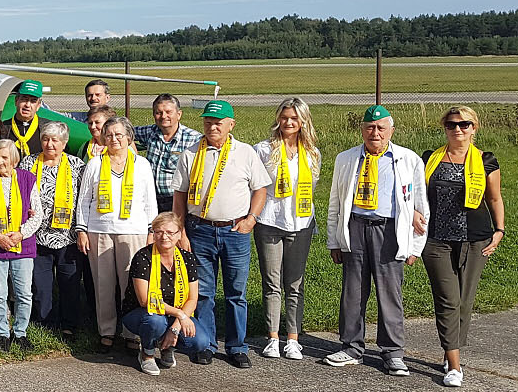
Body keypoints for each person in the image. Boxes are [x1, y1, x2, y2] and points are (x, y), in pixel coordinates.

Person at [323, 105, 429, 377]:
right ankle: (351, 347)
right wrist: (334, 240)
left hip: (390, 231)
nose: (375, 133)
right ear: (362, 130)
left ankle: (392, 352)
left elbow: (420, 206)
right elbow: (335, 202)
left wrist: (415, 245)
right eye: (370, 127)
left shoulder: (408, 159)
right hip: (356, 227)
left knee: (389, 293)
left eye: (381, 128)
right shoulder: (346, 159)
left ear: (391, 130)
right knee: (353, 291)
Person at [173, 100, 270, 368]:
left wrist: (252, 219)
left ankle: (237, 346)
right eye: (207, 121)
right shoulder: (191, 153)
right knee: (203, 291)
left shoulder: (245, 153)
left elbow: (260, 188)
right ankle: (205, 343)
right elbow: (179, 196)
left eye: (218, 122)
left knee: (235, 292)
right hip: (199, 229)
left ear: (231, 124)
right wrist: (180, 230)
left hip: (235, 230)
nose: (212, 126)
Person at [421, 106, 505, 388]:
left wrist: (499, 229)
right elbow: (416, 196)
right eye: (452, 125)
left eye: (464, 125)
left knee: (464, 301)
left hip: (474, 239)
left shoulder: (487, 161)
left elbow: (494, 199)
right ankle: (454, 365)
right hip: (436, 240)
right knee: (448, 300)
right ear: (444, 128)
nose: (458, 130)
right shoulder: (430, 159)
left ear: (474, 128)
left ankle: (450, 349)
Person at [77, 117, 158, 351]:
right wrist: (81, 230)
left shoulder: (142, 164)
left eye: (119, 134)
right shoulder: (94, 164)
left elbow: (149, 201)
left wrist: (151, 231)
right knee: (103, 284)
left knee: (130, 284)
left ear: (129, 138)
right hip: (99, 230)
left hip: (133, 231)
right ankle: (107, 331)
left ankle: (131, 332)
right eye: (109, 134)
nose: (113, 139)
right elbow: (83, 201)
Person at [252, 98, 321, 361]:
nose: (288, 123)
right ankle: (272, 337)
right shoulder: (263, 150)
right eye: (284, 117)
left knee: (295, 283)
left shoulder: (312, 153)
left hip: (300, 224)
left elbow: (312, 190)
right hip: (270, 222)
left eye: (294, 118)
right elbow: (257, 187)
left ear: (303, 121)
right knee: (272, 282)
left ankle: (293, 337)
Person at [0, 139, 44, 351]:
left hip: (23, 245)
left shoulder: (28, 179)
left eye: (4, 157)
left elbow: (37, 214)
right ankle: (2, 333)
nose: (0, 161)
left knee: (23, 293)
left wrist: (21, 234)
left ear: (14, 159)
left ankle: (20, 332)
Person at [119, 213, 210, 375]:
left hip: (174, 314)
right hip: (142, 313)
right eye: (159, 232)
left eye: (170, 232)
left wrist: (175, 327)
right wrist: (180, 315)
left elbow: (192, 298)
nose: (164, 236)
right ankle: (147, 353)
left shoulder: (187, 258)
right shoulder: (143, 257)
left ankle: (168, 347)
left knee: (201, 341)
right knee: (156, 321)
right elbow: (145, 300)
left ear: (179, 234)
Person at [20, 121, 87, 337]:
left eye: (55, 140)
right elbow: (18, 193)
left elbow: (85, 199)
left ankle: (69, 324)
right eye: (46, 139)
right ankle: (45, 322)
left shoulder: (77, 166)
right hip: (37, 237)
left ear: (64, 143)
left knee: (69, 283)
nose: (50, 144)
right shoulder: (28, 163)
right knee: (41, 285)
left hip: (68, 236)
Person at [134, 94, 202, 213]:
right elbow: (124, 131)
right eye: (158, 112)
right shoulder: (150, 132)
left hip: (177, 201)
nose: (163, 116)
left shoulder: (194, 139)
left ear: (179, 114)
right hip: (149, 199)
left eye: (168, 112)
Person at [3, 80, 45, 157]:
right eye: (24, 99)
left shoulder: (46, 128)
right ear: (16, 101)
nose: (27, 105)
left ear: (38, 105)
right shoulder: (3, 127)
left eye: (33, 101)